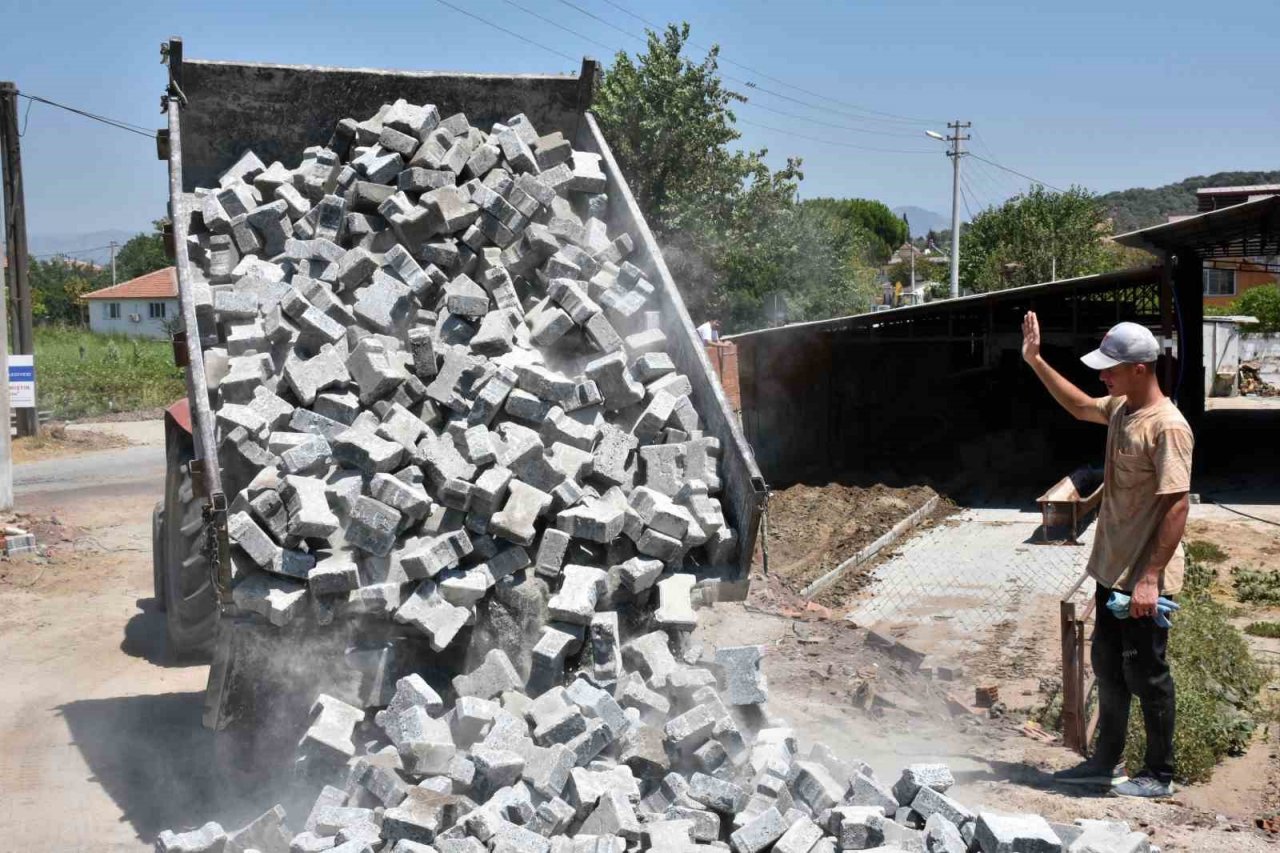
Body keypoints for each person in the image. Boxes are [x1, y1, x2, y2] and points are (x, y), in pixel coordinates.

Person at [1022, 312, 1193, 798]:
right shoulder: (1122, 408)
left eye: (1110, 369)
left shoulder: (1168, 427)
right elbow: (1079, 406)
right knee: (1109, 666)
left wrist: (1150, 578)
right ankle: (1104, 762)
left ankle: (1159, 774)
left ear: (1140, 368)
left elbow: (1176, 505)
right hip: (1111, 568)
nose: (1103, 376)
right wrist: (1035, 360)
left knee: (1147, 673)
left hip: (1143, 576)